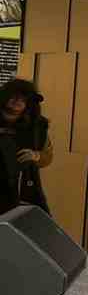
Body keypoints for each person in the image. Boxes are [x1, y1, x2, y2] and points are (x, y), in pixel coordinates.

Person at [0, 79, 52, 216]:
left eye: (23, 99)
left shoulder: (37, 127)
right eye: (14, 97)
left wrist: (36, 156)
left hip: (25, 190)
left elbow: (47, 156)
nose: (18, 101)